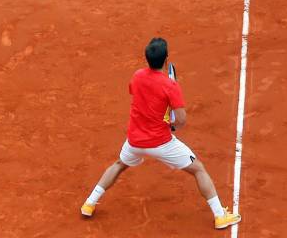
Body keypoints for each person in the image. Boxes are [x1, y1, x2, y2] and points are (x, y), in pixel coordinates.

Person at [80, 37, 242, 231]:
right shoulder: (170, 86)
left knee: (119, 164)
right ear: (166, 60)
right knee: (198, 169)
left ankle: (89, 203)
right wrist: (171, 124)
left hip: (135, 141)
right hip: (161, 143)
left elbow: (137, 93)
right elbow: (181, 120)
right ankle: (219, 216)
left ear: (146, 58)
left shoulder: (137, 76)